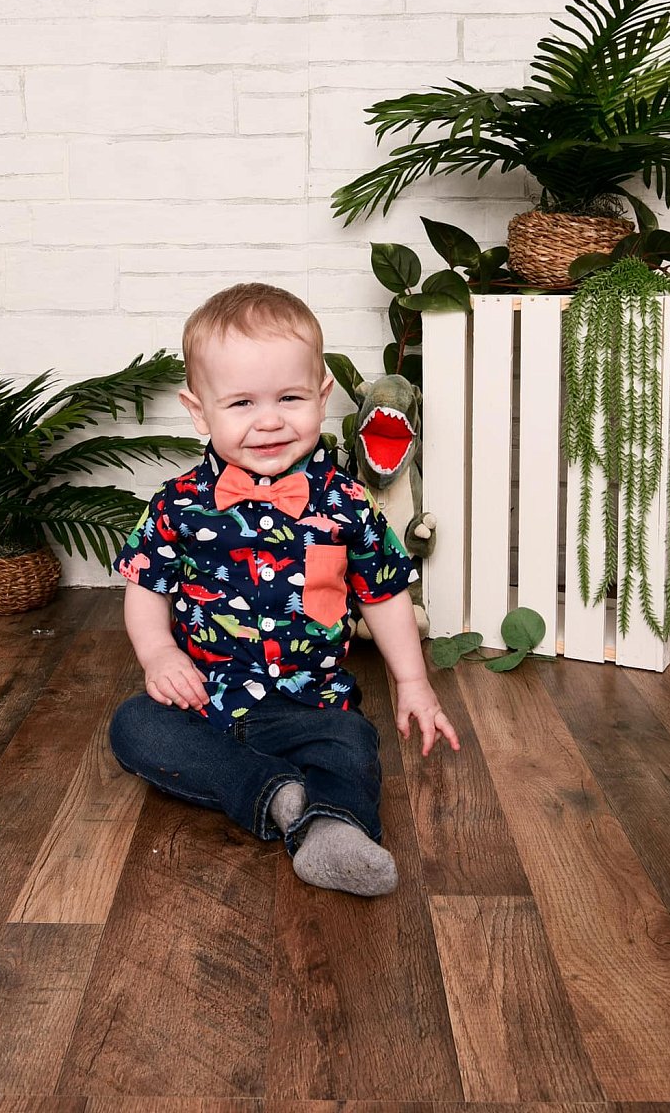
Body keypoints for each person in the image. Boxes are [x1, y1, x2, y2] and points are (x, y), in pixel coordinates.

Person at [109, 283, 459, 897]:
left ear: (321, 397)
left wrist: (412, 681)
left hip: (312, 707)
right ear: (200, 412)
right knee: (134, 726)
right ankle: (280, 797)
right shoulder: (176, 505)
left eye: (290, 398)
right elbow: (146, 586)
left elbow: (383, 593)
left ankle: (336, 829)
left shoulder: (347, 502)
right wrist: (158, 654)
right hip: (205, 704)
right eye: (242, 402)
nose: (269, 421)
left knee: (354, 742)